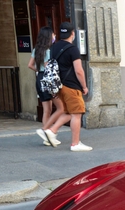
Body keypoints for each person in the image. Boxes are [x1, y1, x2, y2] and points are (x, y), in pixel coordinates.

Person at [37, 22, 92, 152]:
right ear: (72, 34)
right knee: (77, 114)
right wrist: (84, 86)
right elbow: (79, 70)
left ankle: (52, 130)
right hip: (72, 86)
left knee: (67, 112)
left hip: (59, 85)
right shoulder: (72, 49)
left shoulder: (53, 48)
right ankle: (75, 143)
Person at [28, 26, 65, 145]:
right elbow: (48, 66)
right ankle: (47, 131)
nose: (54, 36)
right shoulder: (49, 51)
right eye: (53, 35)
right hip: (49, 81)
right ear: (49, 36)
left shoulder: (36, 49)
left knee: (46, 110)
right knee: (61, 108)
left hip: (40, 78)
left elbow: (30, 65)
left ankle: (46, 137)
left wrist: (39, 72)